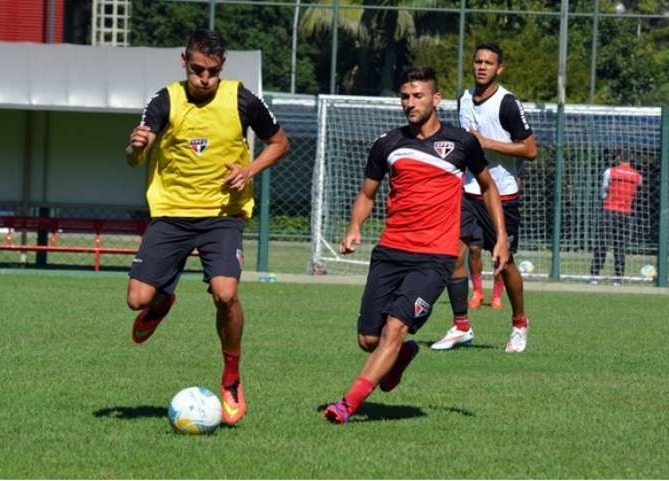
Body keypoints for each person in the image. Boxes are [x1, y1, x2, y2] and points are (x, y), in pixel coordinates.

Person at [323, 66, 509, 424]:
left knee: (395, 327)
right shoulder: (387, 144)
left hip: (434, 258)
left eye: (418, 96)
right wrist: (354, 227)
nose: (410, 103)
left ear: (436, 99)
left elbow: (488, 187)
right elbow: (367, 193)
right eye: (405, 97)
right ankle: (401, 355)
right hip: (390, 251)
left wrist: (499, 237)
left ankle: (347, 404)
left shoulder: (461, 143)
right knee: (368, 338)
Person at [123, 29, 289, 426]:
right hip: (171, 213)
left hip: (221, 215)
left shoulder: (242, 99)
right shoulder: (164, 100)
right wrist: (135, 146)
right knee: (137, 300)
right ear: (184, 61)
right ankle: (162, 301)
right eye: (197, 69)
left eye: (212, 72)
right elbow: (133, 158)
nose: (204, 79)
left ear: (222, 68)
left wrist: (249, 170)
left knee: (225, 294)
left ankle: (231, 376)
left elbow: (280, 143)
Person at [431, 42, 537, 353]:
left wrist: (486, 143)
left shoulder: (507, 103)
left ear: (498, 69)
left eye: (489, 63)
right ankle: (461, 325)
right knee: (454, 254)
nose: (482, 66)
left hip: (501, 195)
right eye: (478, 61)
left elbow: (530, 150)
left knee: (504, 264)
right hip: (466, 190)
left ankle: (519, 323)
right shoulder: (463, 99)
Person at [589, 152, 642, 285]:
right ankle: (618, 277)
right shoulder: (637, 176)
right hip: (625, 213)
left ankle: (595, 275)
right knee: (620, 247)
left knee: (602, 244)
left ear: (618, 159)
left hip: (609, 211)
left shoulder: (610, 172)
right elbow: (636, 194)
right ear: (630, 160)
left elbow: (603, 192)